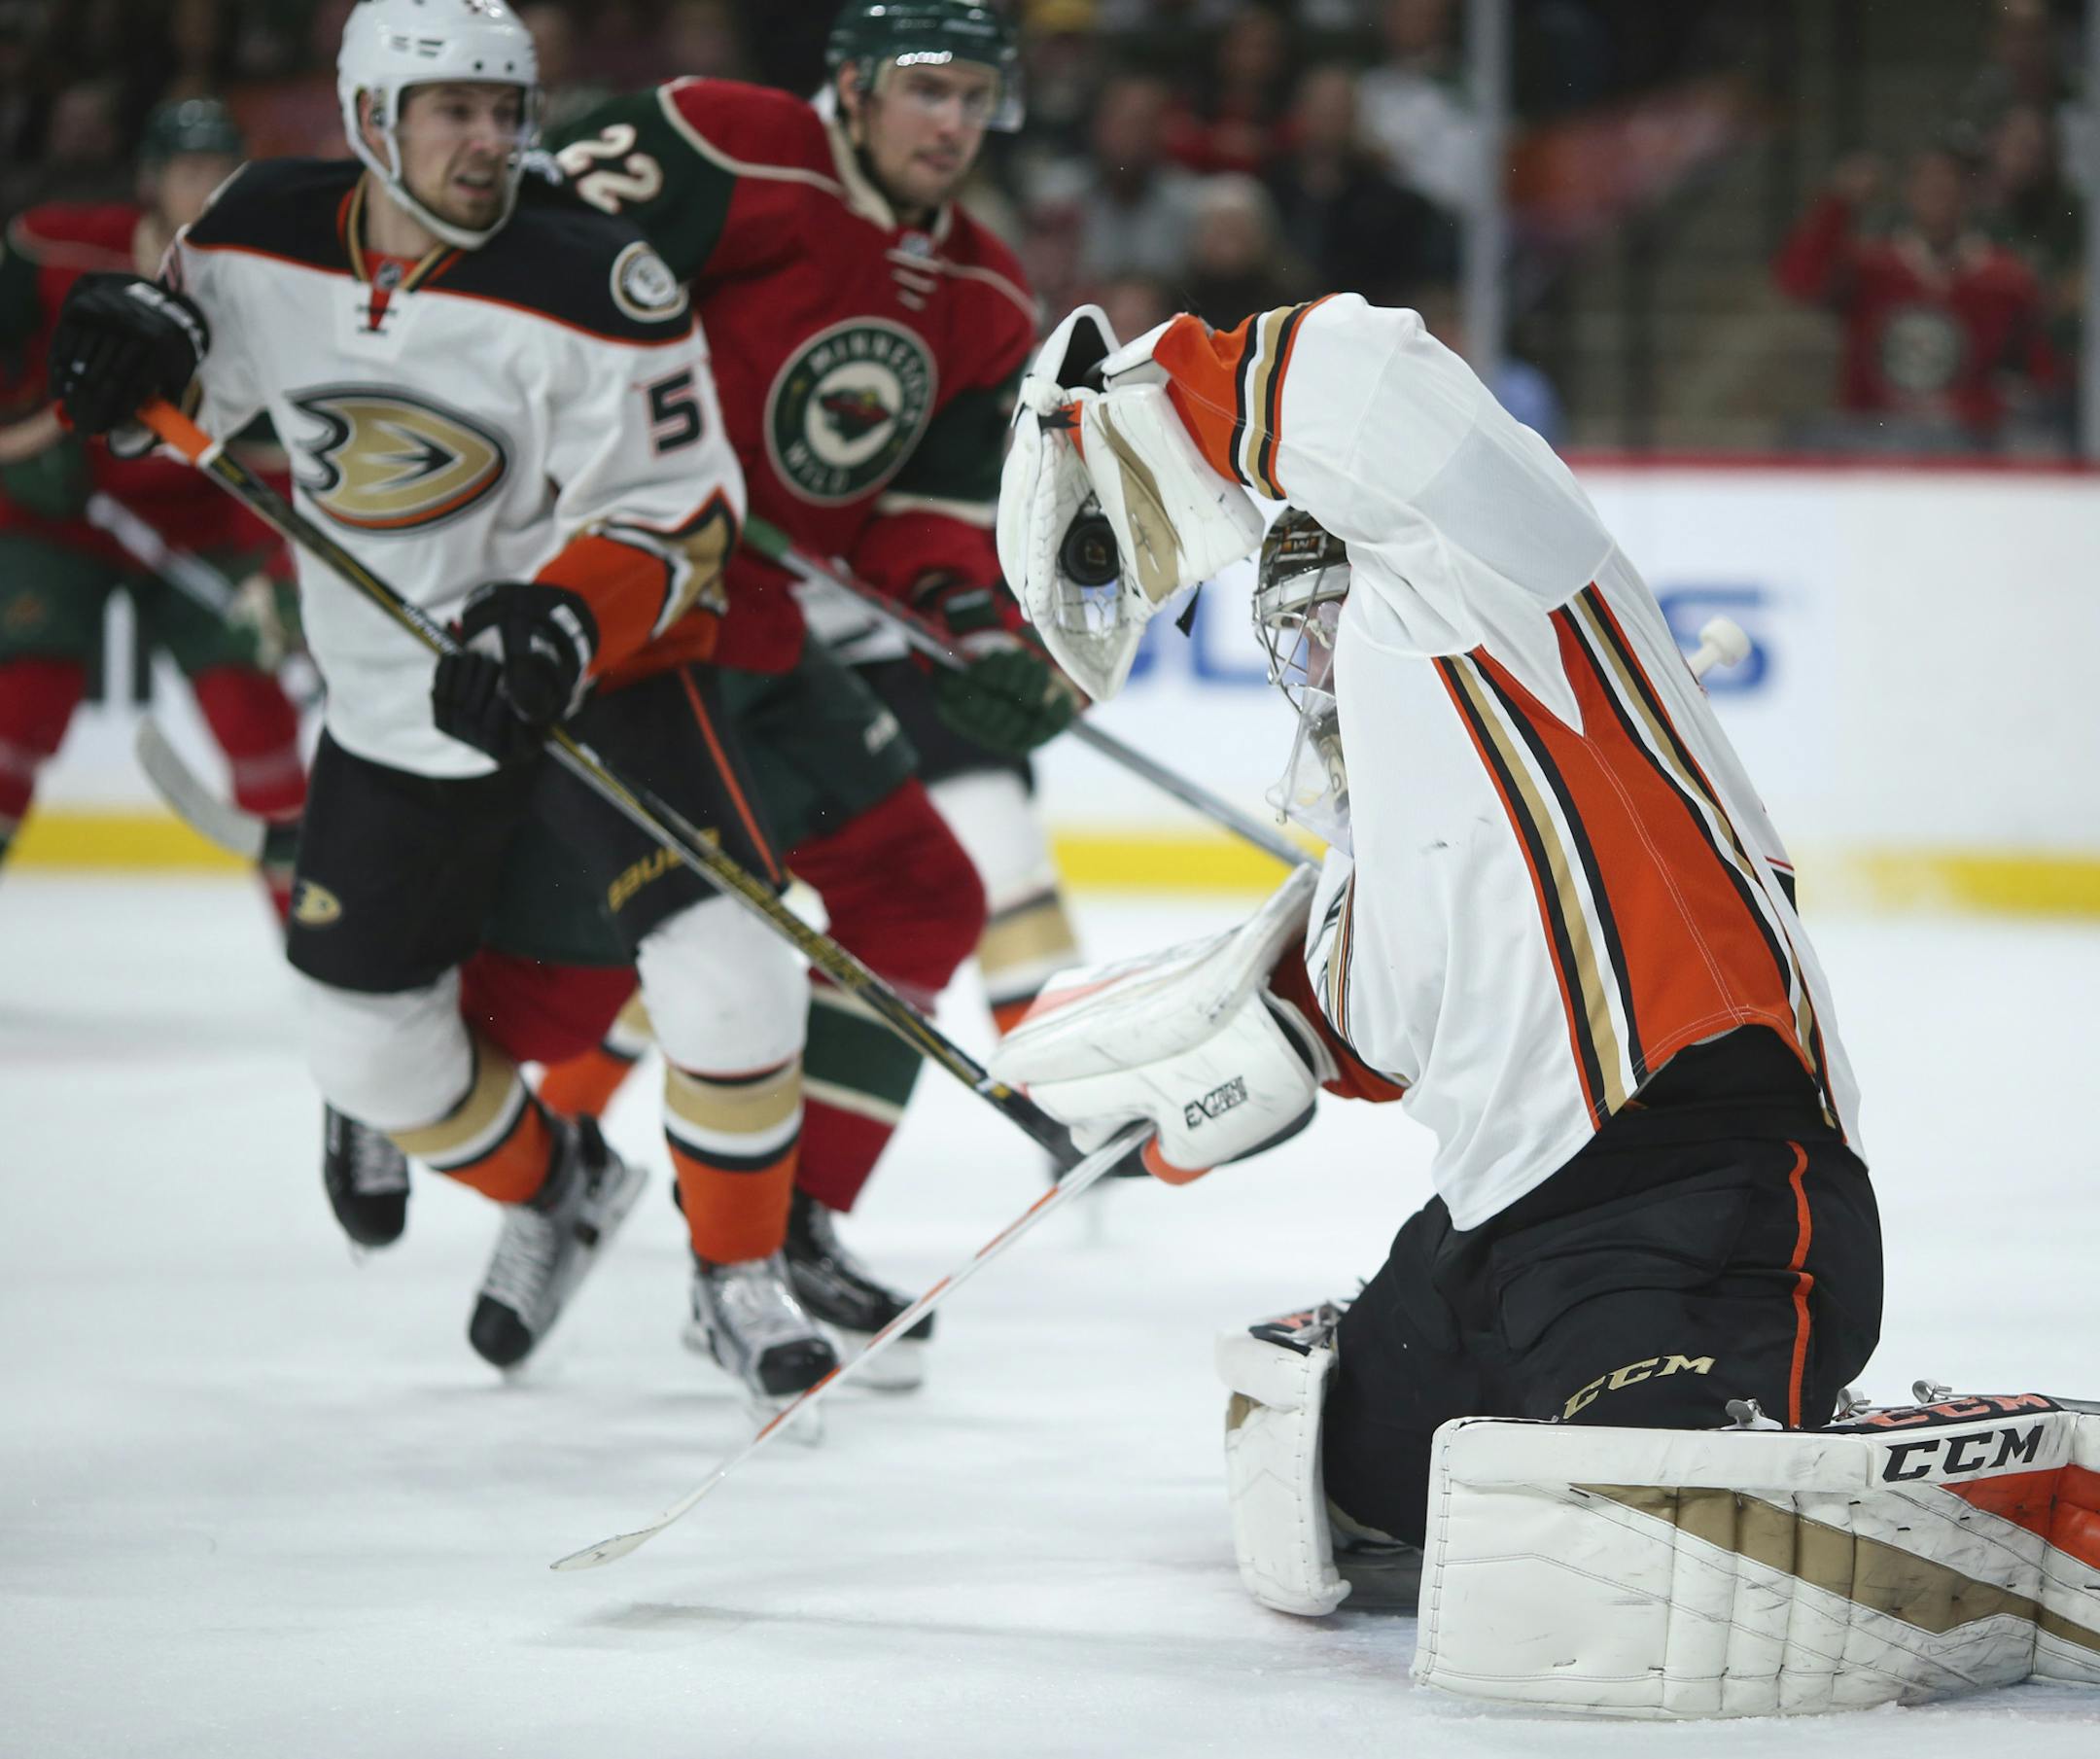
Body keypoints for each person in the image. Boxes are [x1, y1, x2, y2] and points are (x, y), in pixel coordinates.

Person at [989, 293, 1882, 1601]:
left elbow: (1369, 378)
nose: (1310, 654)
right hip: (1486, 1246)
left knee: (1649, 1544)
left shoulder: (1501, 602)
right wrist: (1140, 1096)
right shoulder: (1363, 881)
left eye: (1323, 611)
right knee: (1332, 1506)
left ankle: (1739, 1416)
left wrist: (1118, 427)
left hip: (1706, 1199)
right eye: (1286, 631)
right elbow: (1297, 1034)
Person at [47, 0, 834, 1404]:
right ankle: (563, 1184)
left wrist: (563, 616)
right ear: (368, 123)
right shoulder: (253, 230)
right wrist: (124, 361)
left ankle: (734, 1277)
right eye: (451, 111)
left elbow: (685, 514)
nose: (488, 140)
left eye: (503, 109)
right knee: (362, 1043)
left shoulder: (600, 279)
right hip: (385, 698)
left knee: (736, 966)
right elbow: (182, 394)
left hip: (587, 682)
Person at [535, 0, 1086, 1387]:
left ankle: (787, 1224)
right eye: (925, 90)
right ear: (848, 88)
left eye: (977, 97)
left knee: (923, 895)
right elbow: (533, 263)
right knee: (697, 919)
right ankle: (555, 1171)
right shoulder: (732, 143)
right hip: (620, 601)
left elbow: (924, 517)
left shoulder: (987, 293)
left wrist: (980, 626)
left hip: (764, 624)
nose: (952, 123)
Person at [0, 98, 303, 906]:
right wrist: (19, 438)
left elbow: (275, 450)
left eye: (220, 174)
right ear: (150, 181)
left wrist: (274, 563)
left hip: (201, 525)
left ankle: (317, 940)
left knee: (253, 713)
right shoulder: (53, 244)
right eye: (189, 172)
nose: (205, 191)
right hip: (62, 516)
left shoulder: (267, 285)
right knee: (20, 704)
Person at [1773, 144, 2058, 450]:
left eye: (1947, 183)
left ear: (1969, 193)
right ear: (1908, 191)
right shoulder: (1872, 267)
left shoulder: (2005, 279)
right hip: (1875, 440)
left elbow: (2039, 368)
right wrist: (1838, 206)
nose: (1937, 192)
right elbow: (1798, 282)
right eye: (1926, 182)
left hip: (1966, 444)